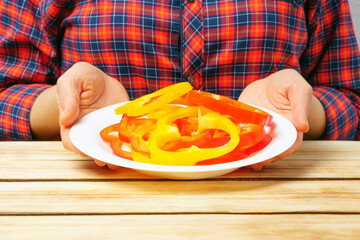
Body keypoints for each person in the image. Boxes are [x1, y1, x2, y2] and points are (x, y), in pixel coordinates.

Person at [1, 0, 359, 170]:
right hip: (93, 205)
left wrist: (296, 112)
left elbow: (349, 102)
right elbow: (7, 98)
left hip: (277, 206)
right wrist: (68, 109)